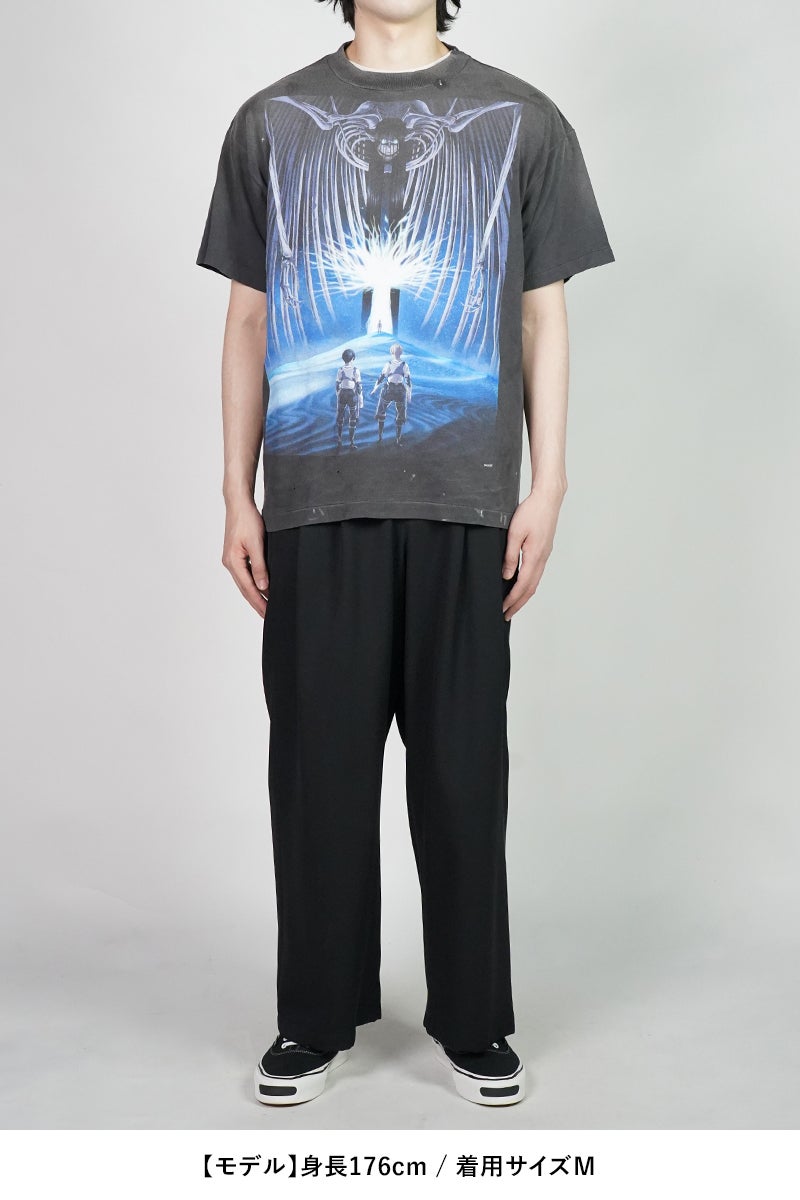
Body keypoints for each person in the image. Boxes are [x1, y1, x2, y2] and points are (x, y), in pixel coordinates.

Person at [196, 0, 615, 1108]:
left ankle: (474, 1020)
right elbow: (247, 320)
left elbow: (541, 317)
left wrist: (548, 483)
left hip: (467, 500)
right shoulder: (272, 122)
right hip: (312, 502)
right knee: (318, 774)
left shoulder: (522, 120)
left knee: (462, 774)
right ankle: (313, 1017)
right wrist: (236, 493)